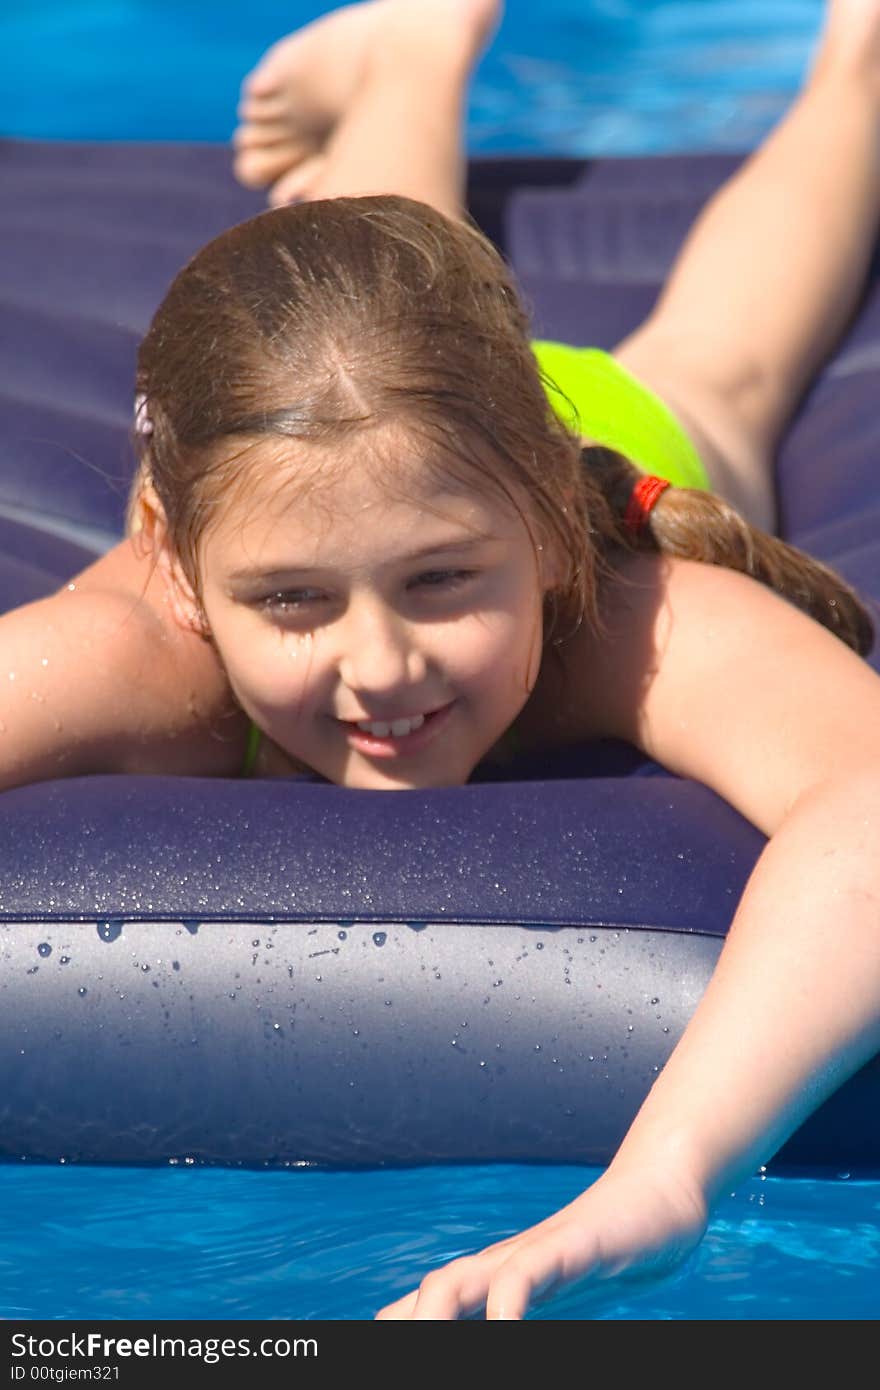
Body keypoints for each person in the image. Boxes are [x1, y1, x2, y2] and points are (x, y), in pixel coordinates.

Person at [4, 0, 880, 1317]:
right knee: (351, 331)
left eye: (443, 588)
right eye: (292, 603)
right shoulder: (145, 632)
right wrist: (377, 567)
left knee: (726, 360)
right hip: (361, 462)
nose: (381, 667)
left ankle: (859, 66)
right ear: (182, 569)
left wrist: (669, 1171)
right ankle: (416, 53)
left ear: (539, 537)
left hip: (548, 442)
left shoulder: (625, 610)